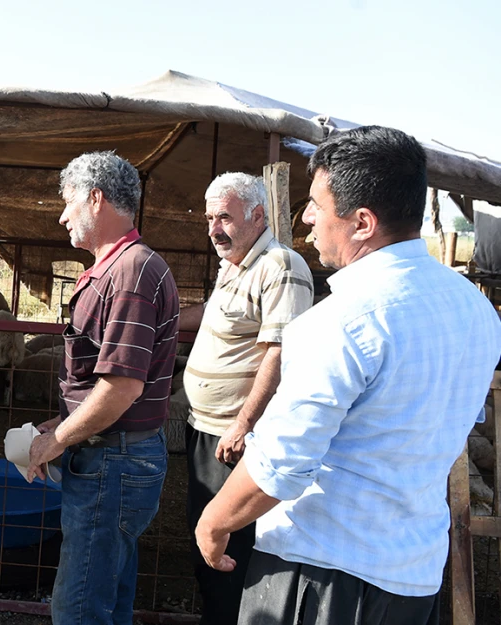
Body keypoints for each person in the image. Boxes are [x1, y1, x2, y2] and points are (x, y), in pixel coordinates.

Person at [195, 126, 501, 625]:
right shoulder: (475, 309)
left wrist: (214, 520)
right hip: (412, 576)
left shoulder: (343, 320)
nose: (307, 217)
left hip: (322, 574)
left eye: (316, 203)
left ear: (362, 221)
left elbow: (281, 462)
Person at [26, 151, 180, 625]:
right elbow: (102, 379)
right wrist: (62, 421)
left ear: (95, 199)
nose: (62, 215)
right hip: (114, 455)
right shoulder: (120, 268)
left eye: (69, 202)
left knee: (78, 607)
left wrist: (56, 441)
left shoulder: (130, 274)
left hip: (111, 462)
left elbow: (120, 389)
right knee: (108, 595)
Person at [179, 173, 313, 624]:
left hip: (235, 440)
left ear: (258, 216)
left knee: (230, 547)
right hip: (206, 429)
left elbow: (279, 354)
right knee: (205, 537)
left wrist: (243, 424)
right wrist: (164, 320)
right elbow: (211, 315)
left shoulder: (281, 266)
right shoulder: (234, 264)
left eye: (225, 218)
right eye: (210, 218)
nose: (215, 228)